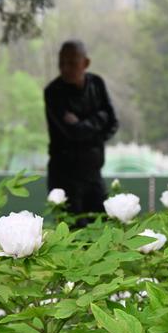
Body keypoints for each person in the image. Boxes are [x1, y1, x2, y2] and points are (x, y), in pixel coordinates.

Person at [44, 40, 118, 227]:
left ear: (85, 63)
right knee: (72, 233)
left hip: (93, 173)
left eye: (72, 63)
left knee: (103, 227)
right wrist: (98, 120)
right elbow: (72, 133)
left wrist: (84, 124)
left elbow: (113, 123)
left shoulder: (97, 84)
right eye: (61, 63)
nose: (65, 68)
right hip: (64, 176)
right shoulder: (54, 92)